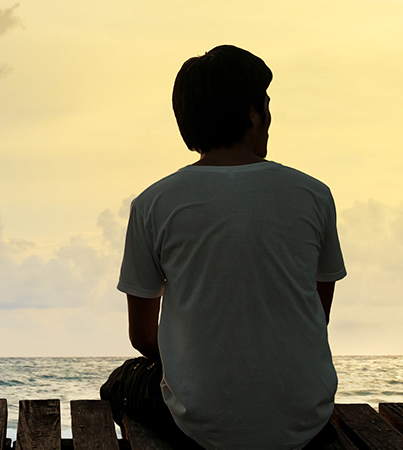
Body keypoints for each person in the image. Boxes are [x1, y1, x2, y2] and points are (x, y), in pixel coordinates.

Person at [100, 44, 346, 449]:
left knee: (124, 380)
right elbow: (316, 318)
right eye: (266, 106)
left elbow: (143, 337)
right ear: (253, 114)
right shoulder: (313, 195)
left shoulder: (153, 204)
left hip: (205, 426)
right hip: (305, 417)